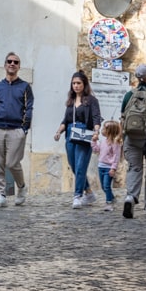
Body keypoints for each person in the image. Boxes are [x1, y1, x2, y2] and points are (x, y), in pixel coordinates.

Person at [0, 52, 33, 207]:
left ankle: (21, 187)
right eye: (9, 61)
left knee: (12, 163)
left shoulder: (25, 87)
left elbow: (28, 108)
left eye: (16, 62)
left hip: (16, 130)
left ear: (19, 66)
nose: (12, 64)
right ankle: (1, 195)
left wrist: (24, 129)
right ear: (5, 65)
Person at [54, 70, 102, 208]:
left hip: (84, 134)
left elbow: (96, 117)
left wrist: (96, 132)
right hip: (70, 134)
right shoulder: (70, 101)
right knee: (74, 166)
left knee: (81, 166)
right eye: (74, 83)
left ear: (84, 84)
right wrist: (58, 131)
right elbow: (65, 120)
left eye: (78, 83)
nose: (76, 86)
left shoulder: (91, 100)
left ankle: (77, 196)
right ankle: (89, 192)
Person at [119, 64, 146, 219]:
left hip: (131, 138)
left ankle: (131, 197)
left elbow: (122, 117)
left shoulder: (129, 95)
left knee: (134, 168)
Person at [92, 119, 123, 211]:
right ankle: (112, 198)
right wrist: (94, 142)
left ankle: (109, 203)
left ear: (110, 131)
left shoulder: (115, 143)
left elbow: (116, 156)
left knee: (106, 186)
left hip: (108, 168)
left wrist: (113, 168)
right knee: (103, 186)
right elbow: (96, 150)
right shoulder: (103, 141)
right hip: (101, 166)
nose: (102, 131)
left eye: (104, 129)